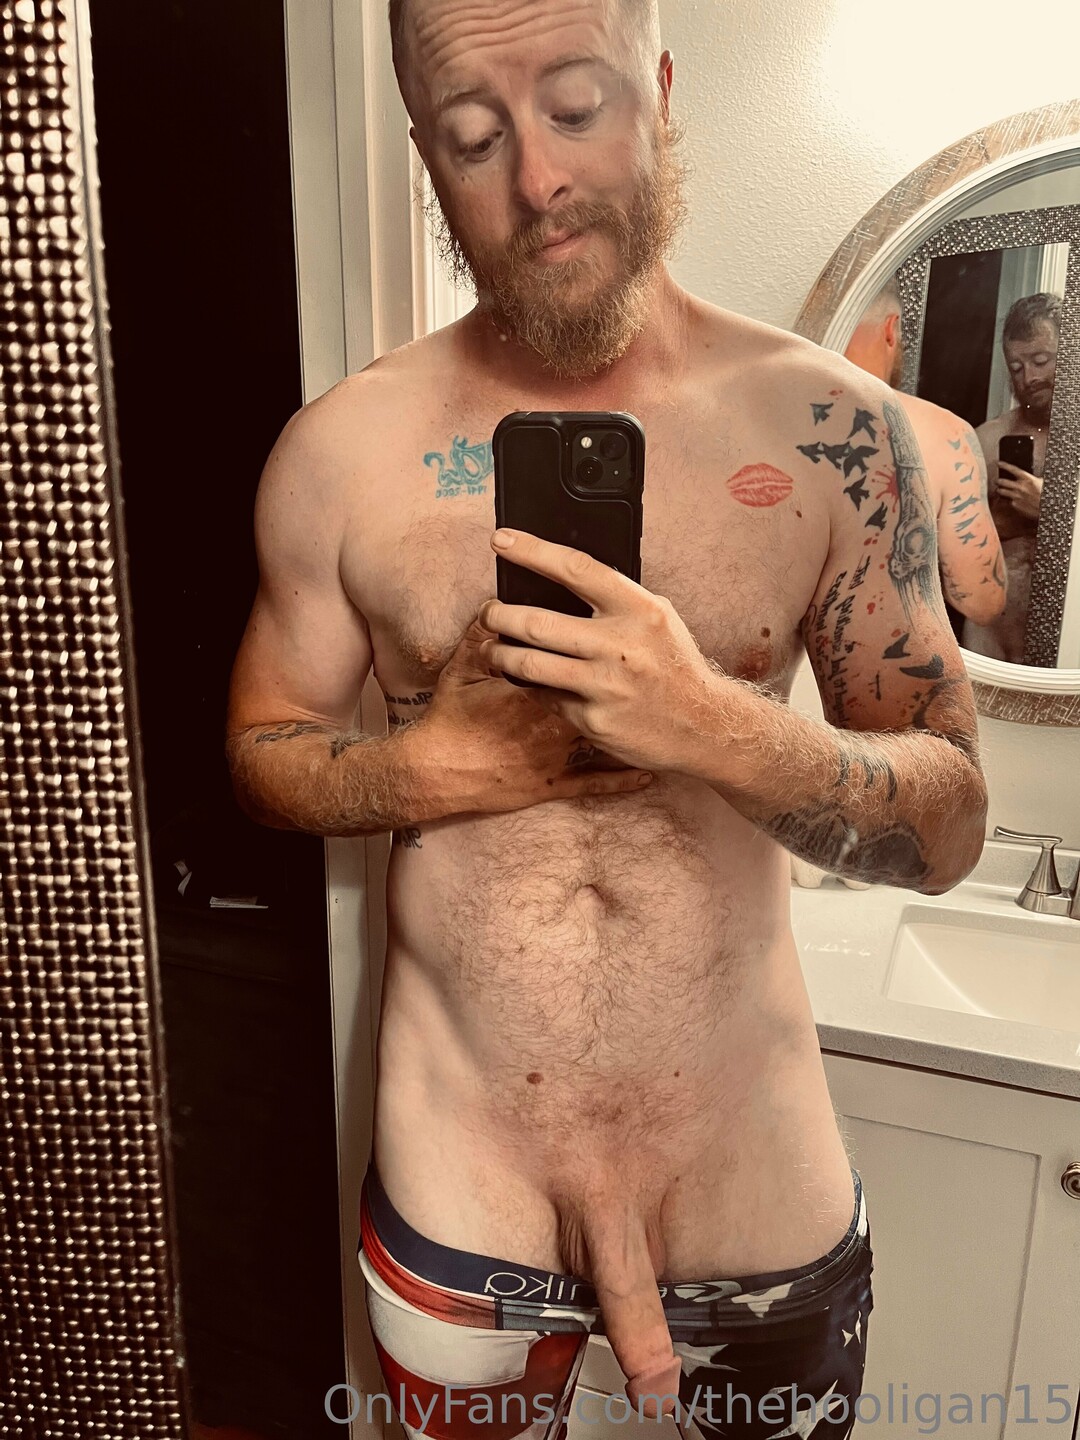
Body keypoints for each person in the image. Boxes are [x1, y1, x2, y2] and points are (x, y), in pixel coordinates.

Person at [225, 1, 987, 1432]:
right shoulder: (341, 455)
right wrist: (430, 769)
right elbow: (261, 753)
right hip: (466, 1176)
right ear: (423, 154)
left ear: (661, 89)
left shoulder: (830, 432)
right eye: (473, 136)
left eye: (576, 106)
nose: (537, 179)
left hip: (750, 1176)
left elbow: (950, 826)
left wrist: (711, 724)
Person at [844, 279, 1007, 627]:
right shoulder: (944, 435)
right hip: (883, 647)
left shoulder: (766, 411)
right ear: (891, 330)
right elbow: (982, 599)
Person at [963, 292, 1061, 663]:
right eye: (1016, 367)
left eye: (1041, 360)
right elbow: (942, 546)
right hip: (992, 638)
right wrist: (993, 525)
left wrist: (1050, 509)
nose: (1029, 378)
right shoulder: (988, 440)